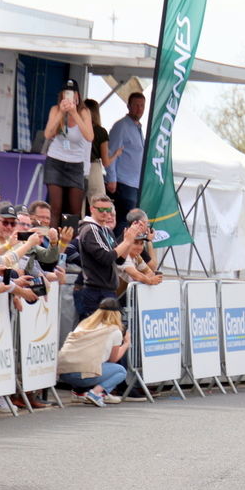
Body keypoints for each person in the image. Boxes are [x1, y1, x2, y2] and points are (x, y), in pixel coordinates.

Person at [74, 195, 145, 320]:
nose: (105, 213)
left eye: (108, 210)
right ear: (92, 209)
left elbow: (119, 259)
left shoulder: (106, 230)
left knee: (110, 331)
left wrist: (129, 238)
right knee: (93, 332)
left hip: (107, 289)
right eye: (101, 210)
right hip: (95, 289)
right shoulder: (90, 229)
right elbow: (106, 257)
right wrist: (127, 241)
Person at [57, 297, 130, 407]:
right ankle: (97, 393)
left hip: (63, 372)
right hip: (82, 374)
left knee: (94, 363)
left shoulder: (83, 325)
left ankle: (80, 392)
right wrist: (126, 344)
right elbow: (113, 359)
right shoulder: (114, 331)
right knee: (120, 371)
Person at [42, 79, 93, 227]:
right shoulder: (55, 109)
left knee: (74, 211)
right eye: (67, 93)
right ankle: (52, 244)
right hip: (55, 161)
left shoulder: (84, 112)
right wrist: (62, 113)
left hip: (75, 164)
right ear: (62, 95)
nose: (69, 97)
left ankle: (71, 246)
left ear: (77, 96)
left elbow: (89, 136)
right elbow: (48, 134)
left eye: (72, 93)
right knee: (56, 208)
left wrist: (74, 113)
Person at [105, 92, 145, 227]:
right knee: (123, 220)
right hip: (123, 182)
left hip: (135, 183)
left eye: (142, 106)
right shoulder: (121, 126)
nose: (139, 109)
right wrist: (111, 178)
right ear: (128, 106)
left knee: (131, 221)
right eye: (136, 105)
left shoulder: (138, 127)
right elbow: (111, 151)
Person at [84, 98, 116, 208]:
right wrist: (116, 154)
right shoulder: (100, 132)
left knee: (78, 203)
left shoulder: (78, 128)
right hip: (93, 168)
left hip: (78, 166)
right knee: (100, 204)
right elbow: (106, 162)